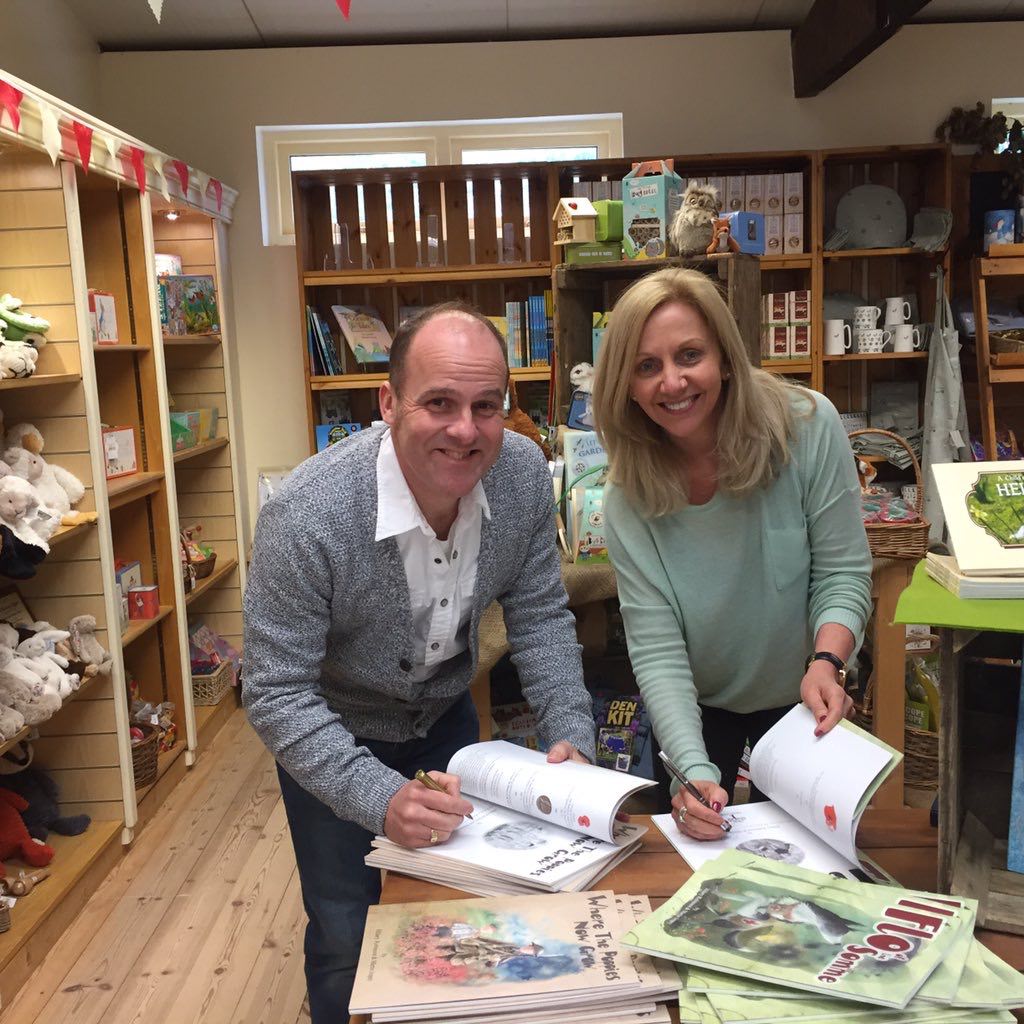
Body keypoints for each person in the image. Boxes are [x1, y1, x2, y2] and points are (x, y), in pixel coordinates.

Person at [242, 301, 596, 1023]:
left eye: (485, 406)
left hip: (443, 718)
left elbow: (539, 616)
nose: (465, 430)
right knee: (346, 926)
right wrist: (378, 798)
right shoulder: (306, 516)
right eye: (438, 402)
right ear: (388, 404)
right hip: (332, 733)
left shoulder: (524, 475)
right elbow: (277, 693)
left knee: (459, 913)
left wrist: (571, 732)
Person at [591, 268, 871, 843]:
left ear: (724, 355)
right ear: (625, 384)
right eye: (646, 366)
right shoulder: (626, 496)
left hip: (806, 697)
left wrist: (829, 662)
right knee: (694, 848)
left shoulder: (808, 428)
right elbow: (657, 646)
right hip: (696, 707)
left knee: (808, 864)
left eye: (688, 355)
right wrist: (691, 770)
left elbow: (843, 573)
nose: (672, 382)